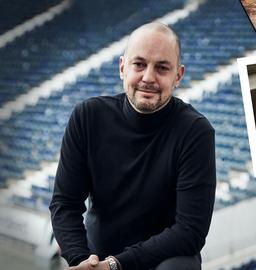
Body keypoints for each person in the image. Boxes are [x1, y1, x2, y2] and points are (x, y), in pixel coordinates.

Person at [49, 22, 216, 270]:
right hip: (96, 256)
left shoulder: (195, 132)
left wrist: (117, 265)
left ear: (178, 76)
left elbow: (189, 231)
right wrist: (82, 260)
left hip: (163, 259)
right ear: (122, 68)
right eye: (139, 64)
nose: (148, 77)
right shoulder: (88, 116)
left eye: (162, 68)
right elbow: (65, 204)